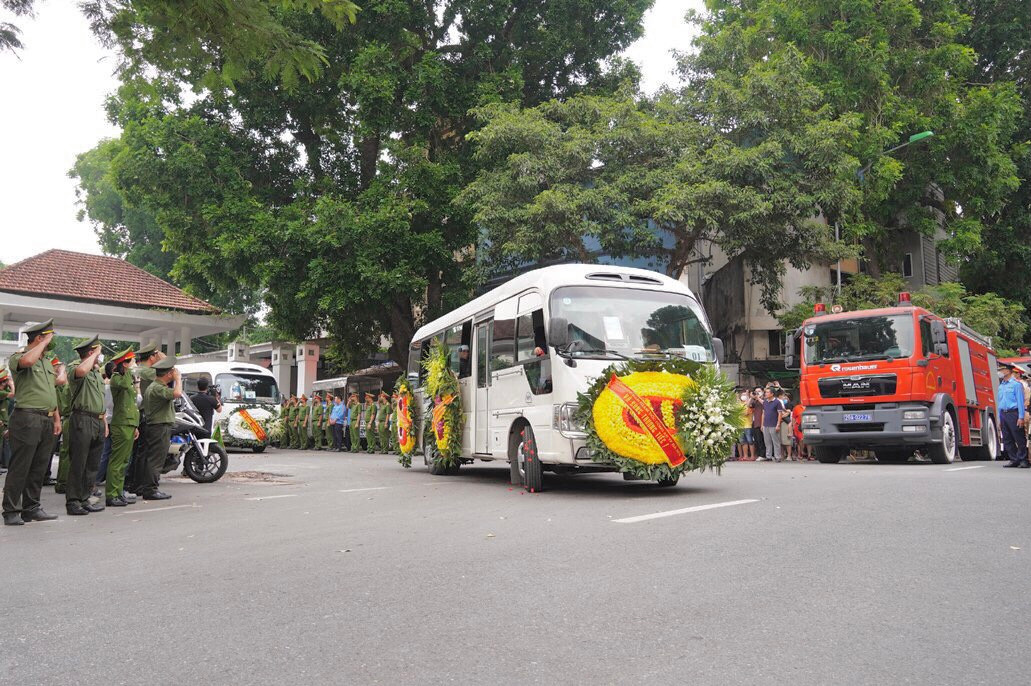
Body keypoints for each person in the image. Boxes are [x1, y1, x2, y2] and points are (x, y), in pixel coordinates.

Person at [3, 320, 62, 526]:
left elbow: (50, 392)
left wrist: (55, 418)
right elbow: (27, 362)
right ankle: (11, 510)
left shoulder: (46, 362)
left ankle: (32, 508)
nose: (51, 342)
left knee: (38, 466)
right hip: (27, 417)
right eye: (49, 337)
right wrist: (43, 343)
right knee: (21, 466)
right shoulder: (19, 357)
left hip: (46, 418)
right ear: (39, 338)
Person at [65, 336, 108, 516]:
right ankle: (73, 501)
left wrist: (104, 423)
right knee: (79, 463)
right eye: (97, 353)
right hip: (82, 419)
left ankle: (84, 498)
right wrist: (95, 354)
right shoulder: (75, 368)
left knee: (91, 465)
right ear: (90, 353)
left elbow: (99, 400)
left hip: (97, 420)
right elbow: (81, 371)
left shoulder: (96, 373)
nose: (100, 357)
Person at [139, 356, 182, 499]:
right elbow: (177, 393)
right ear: (168, 374)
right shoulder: (157, 387)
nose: (175, 373)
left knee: (153, 458)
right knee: (156, 459)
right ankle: (150, 490)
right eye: (172, 372)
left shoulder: (155, 386)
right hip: (159, 427)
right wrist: (178, 379)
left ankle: (149, 488)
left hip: (157, 426)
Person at [105, 348, 140, 507]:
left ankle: (118, 492)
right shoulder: (117, 378)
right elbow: (125, 386)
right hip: (121, 423)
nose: (132, 364)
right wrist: (126, 369)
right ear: (123, 364)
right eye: (129, 361)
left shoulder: (126, 378)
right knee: (117, 461)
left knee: (125, 461)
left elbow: (133, 404)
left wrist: (135, 425)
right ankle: (112, 494)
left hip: (129, 423)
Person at [999, 362, 1028, 468]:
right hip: (1003, 413)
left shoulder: (1016, 384)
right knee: (1007, 438)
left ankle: (1023, 459)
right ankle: (1014, 459)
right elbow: (1000, 402)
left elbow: (1020, 401)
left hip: (1013, 413)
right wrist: (999, 417)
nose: (1000, 372)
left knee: (1019, 437)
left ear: (1007, 371)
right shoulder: (1001, 385)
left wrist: (1021, 416)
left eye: (1002, 370)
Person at [758, 387, 783, 463]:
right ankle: (768, 456)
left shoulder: (777, 402)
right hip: (766, 424)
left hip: (774, 424)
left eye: (767, 392)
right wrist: (762, 425)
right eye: (765, 392)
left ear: (772, 394)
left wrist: (778, 424)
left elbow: (780, 413)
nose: (766, 393)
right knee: (767, 441)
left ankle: (777, 457)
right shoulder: (765, 402)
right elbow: (763, 414)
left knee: (776, 441)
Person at [736, 388, 755, 461]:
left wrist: (749, 397)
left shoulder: (749, 404)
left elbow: (746, 413)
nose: (743, 396)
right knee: (743, 441)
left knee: (750, 441)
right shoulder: (739, 404)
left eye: (745, 395)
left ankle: (752, 456)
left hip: (748, 425)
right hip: (740, 425)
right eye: (742, 395)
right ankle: (745, 456)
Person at [777, 390, 793, 461]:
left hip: (785, 422)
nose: (784, 397)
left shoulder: (788, 403)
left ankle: (789, 456)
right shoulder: (778, 401)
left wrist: (784, 414)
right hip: (779, 422)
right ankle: (782, 455)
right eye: (784, 396)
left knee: (787, 440)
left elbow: (788, 412)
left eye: (785, 396)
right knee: (780, 441)